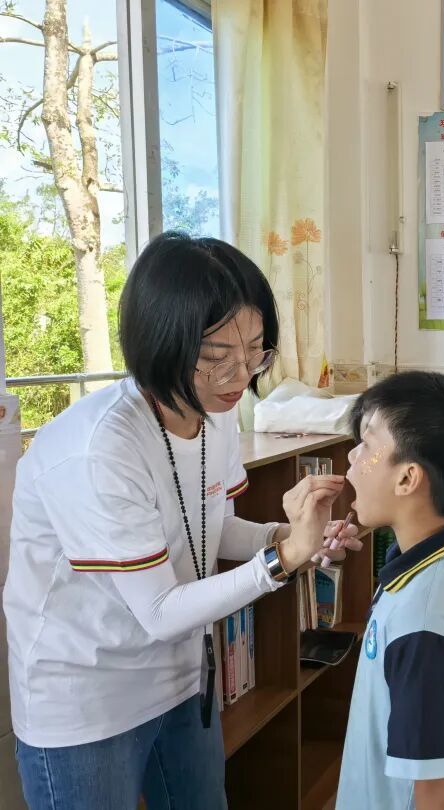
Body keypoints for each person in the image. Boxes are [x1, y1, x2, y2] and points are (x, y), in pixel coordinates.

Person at [4, 232, 361, 810]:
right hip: (85, 699)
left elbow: (213, 528)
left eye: (256, 351)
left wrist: (293, 537)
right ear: (160, 341)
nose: (240, 375)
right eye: (217, 356)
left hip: (180, 680)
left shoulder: (213, 413)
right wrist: (283, 558)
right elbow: (159, 612)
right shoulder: (101, 448)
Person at [336, 371, 444, 810]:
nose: (352, 457)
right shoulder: (443, 551)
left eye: (367, 444)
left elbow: (440, 796)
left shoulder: (422, 626)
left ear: (408, 479)